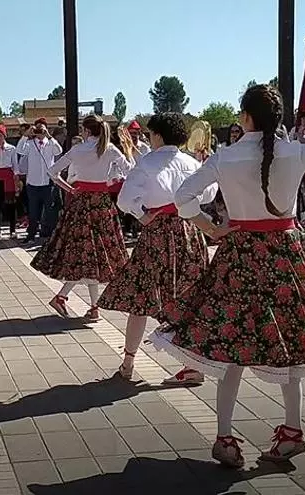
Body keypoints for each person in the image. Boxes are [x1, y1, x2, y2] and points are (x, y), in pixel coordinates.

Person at [148, 83, 305, 468]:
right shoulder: (297, 151)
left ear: (245, 117)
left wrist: (210, 228)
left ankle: (224, 436)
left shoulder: (225, 157)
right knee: (287, 343)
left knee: (232, 345)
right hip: (285, 254)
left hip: (239, 255)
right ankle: (292, 431)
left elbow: (183, 198)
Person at [97, 114, 215, 385]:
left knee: (141, 297)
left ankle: (128, 362)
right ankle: (192, 365)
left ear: (158, 135)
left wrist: (141, 214)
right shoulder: (192, 162)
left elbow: (125, 200)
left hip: (158, 234)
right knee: (189, 295)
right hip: (189, 230)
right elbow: (210, 194)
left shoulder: (147, 163)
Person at [31, 115, 130, 321]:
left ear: (85, 131)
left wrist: (70, 189)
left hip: (81, 204)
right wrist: (111, 181)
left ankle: (82, 303)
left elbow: (52, 172)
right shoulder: (109, 148)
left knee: (85, 254)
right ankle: (87, 305)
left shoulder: (78, 150)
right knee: (95, 255)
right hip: (101, 203)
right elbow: (129, 171)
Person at [17, 118, 62, 243]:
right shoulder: (30, 144)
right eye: (37, 129)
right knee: (33, 211)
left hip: (48, 183)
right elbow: (20, 150)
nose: (39, 131)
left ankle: (51, 236)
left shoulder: (50, 143)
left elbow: (59, 151)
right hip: (33, 184)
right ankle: (31, 235)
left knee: (50, 211)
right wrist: (26, 136)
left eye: (41, 128)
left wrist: (49, 136)